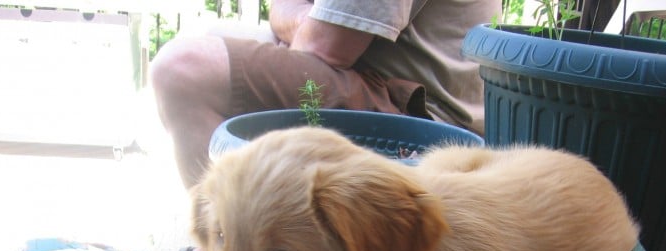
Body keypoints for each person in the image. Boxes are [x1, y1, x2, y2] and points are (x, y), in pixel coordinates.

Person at [150, 0, 501, 191]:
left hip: (418, 124)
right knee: (209, 35)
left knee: (182, 71)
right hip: (375, 80)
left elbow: (321, 45)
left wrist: (301, 18)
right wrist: (302, 19)